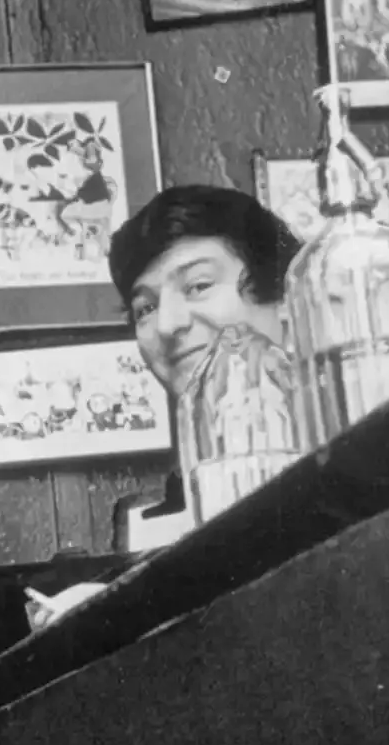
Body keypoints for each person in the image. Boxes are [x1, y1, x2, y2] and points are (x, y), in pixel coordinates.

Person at [104, 184, 304, 558]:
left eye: (198, 285)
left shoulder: (360, 444)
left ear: (284, 297)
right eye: (145, 308)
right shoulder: (171, 504)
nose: (167, 324)